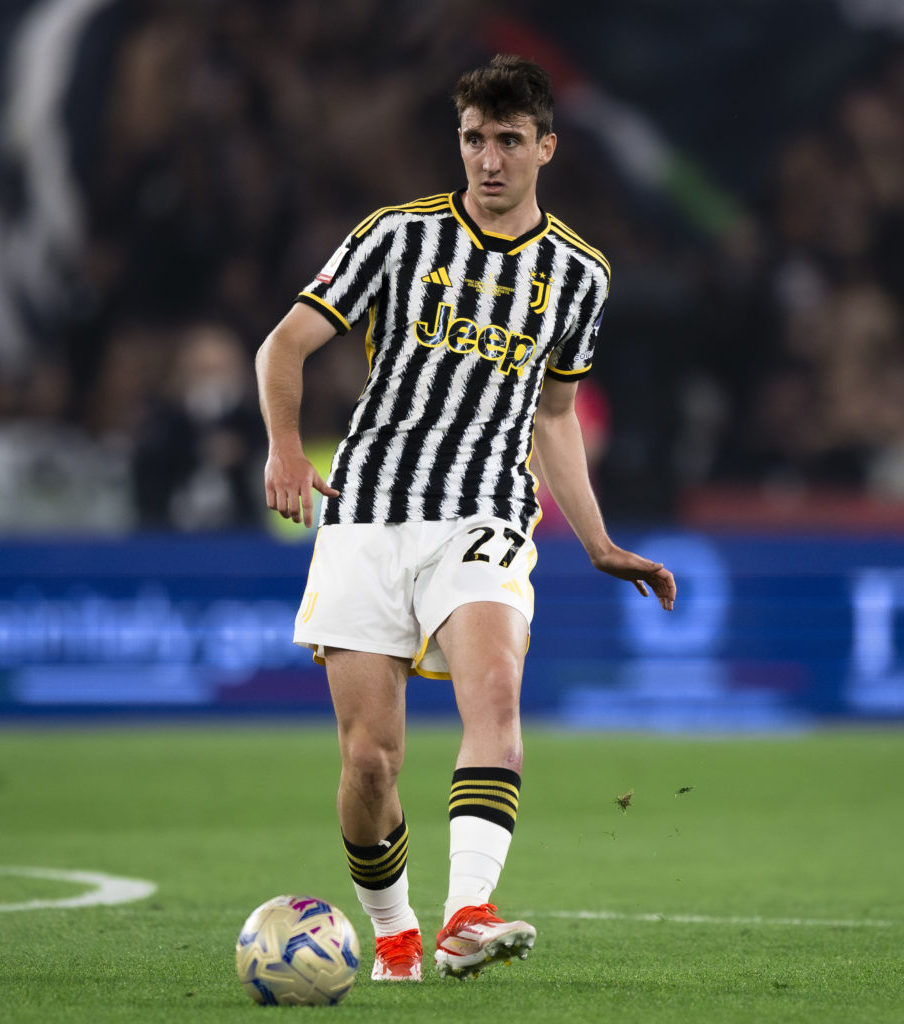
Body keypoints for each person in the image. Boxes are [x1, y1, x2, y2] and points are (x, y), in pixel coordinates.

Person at [255, 54, 676, 983]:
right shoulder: (394, 237)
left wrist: (598, 540)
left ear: (546, 147)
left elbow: (555, 416)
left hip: (484, 514)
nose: (489, 160)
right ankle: (395, 929)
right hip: (365, 514)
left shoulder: (579, 275)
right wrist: (288, 449)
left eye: (509, 141)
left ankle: (466, 914)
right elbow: (283, 344)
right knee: (370, 763)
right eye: (474, 139)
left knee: (495, 701)